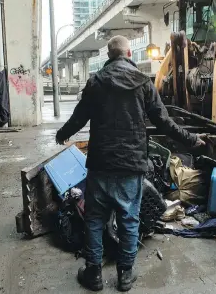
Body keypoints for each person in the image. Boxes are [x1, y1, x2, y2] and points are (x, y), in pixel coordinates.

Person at [55, 35, 205, 292]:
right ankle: (125, 276)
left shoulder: (96, 82)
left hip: (101, 164)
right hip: (131, 165)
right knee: (129, 220)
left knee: (93, 220)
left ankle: (94, 274)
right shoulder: (143, 83)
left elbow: (79, 118)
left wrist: (62, 133)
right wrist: (193, 140)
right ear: (128, 55)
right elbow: (164, 122)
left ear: (109, 56)